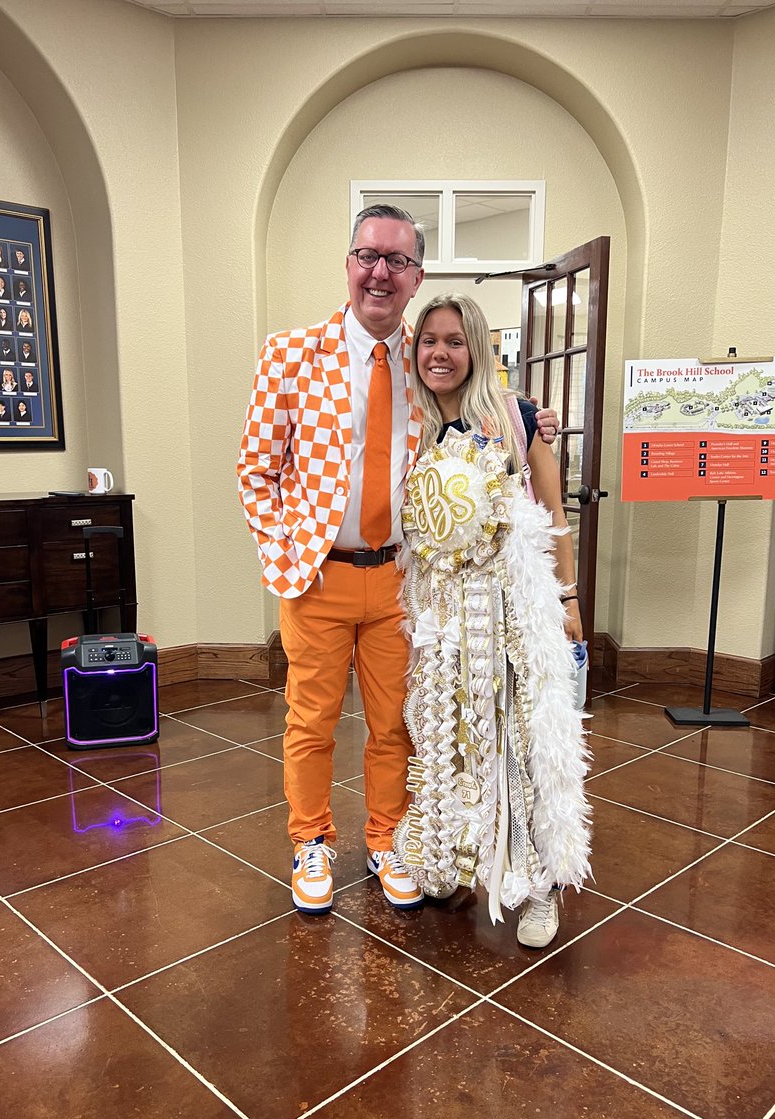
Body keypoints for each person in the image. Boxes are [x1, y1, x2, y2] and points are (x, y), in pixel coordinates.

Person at [237, 204, 560, 918]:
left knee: (397, 725)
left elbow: (480, 396)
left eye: (398, 261)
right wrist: (286, 554)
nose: (379, 272)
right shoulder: (291, 355)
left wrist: (530, 415)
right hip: (318, 577)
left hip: (401, 580)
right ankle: (311, 842)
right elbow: (255, 472)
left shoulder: (423, 359)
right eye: (367, 256)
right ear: (349, 265)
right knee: (310, 721)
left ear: (416, 276)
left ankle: (388, 839)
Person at [395, 293, 590, 949]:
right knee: (447, 742)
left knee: (518, 745)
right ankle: (452, 864)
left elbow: (554, 512)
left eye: (454, 340)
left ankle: (539, 887)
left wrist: (568, 600)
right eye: (429, 340)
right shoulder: (412, 426)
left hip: (509, 612)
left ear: (475, 347)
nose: (440, 353)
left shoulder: (518, 416)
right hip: (441, 619)